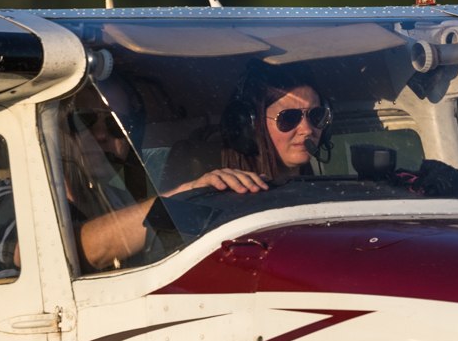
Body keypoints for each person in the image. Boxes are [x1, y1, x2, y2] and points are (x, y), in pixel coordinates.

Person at [64, 69, 327, 272]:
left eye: (117, 125)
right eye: (85, 121)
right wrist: (188, 193)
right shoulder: (28, 202)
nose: (100, 135)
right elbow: (54, 255)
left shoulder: (118, 200)